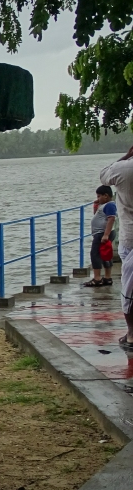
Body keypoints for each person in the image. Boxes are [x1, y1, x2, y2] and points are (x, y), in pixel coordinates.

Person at [99, 145, 133, 350]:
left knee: (130, 289)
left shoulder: (124, 169)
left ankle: (131, 334)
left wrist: (125, 156)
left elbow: (104, 175)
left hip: (130, 238)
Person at [84, 185, 118, 287]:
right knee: (105, 254)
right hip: (101, 233)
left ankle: (97, 279)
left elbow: (111, 219)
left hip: (102, 234)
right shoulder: (104, 205)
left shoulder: (110, 205)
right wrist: (96, 207)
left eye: (99, 196)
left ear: (106, 196)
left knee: (95, 254)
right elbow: (98, 216)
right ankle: (107, 278)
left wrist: (106, 235)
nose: (97, 198)